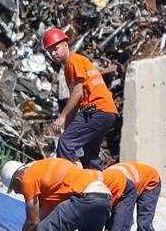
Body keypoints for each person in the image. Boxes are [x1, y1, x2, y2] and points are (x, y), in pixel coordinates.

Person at [42, 27, 120, 169]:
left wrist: (62, 117)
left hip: (96, 110)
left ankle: (65, 185)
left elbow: (76, 94)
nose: (53, 53)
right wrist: (67, 127)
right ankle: (97, 187)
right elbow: (76, 102)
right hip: (107, 112)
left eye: (56, 48)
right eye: (50, 51)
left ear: (66, 45)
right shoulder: (73, 64)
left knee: (66, 143)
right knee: (89, 154)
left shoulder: (73, 61)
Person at [99, 160, 162, 231]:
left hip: (150, 181)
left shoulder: (116, 191)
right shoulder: (102, 191)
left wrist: (114, 230)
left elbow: (123, 219)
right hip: (128, 180)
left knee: (144, 226)